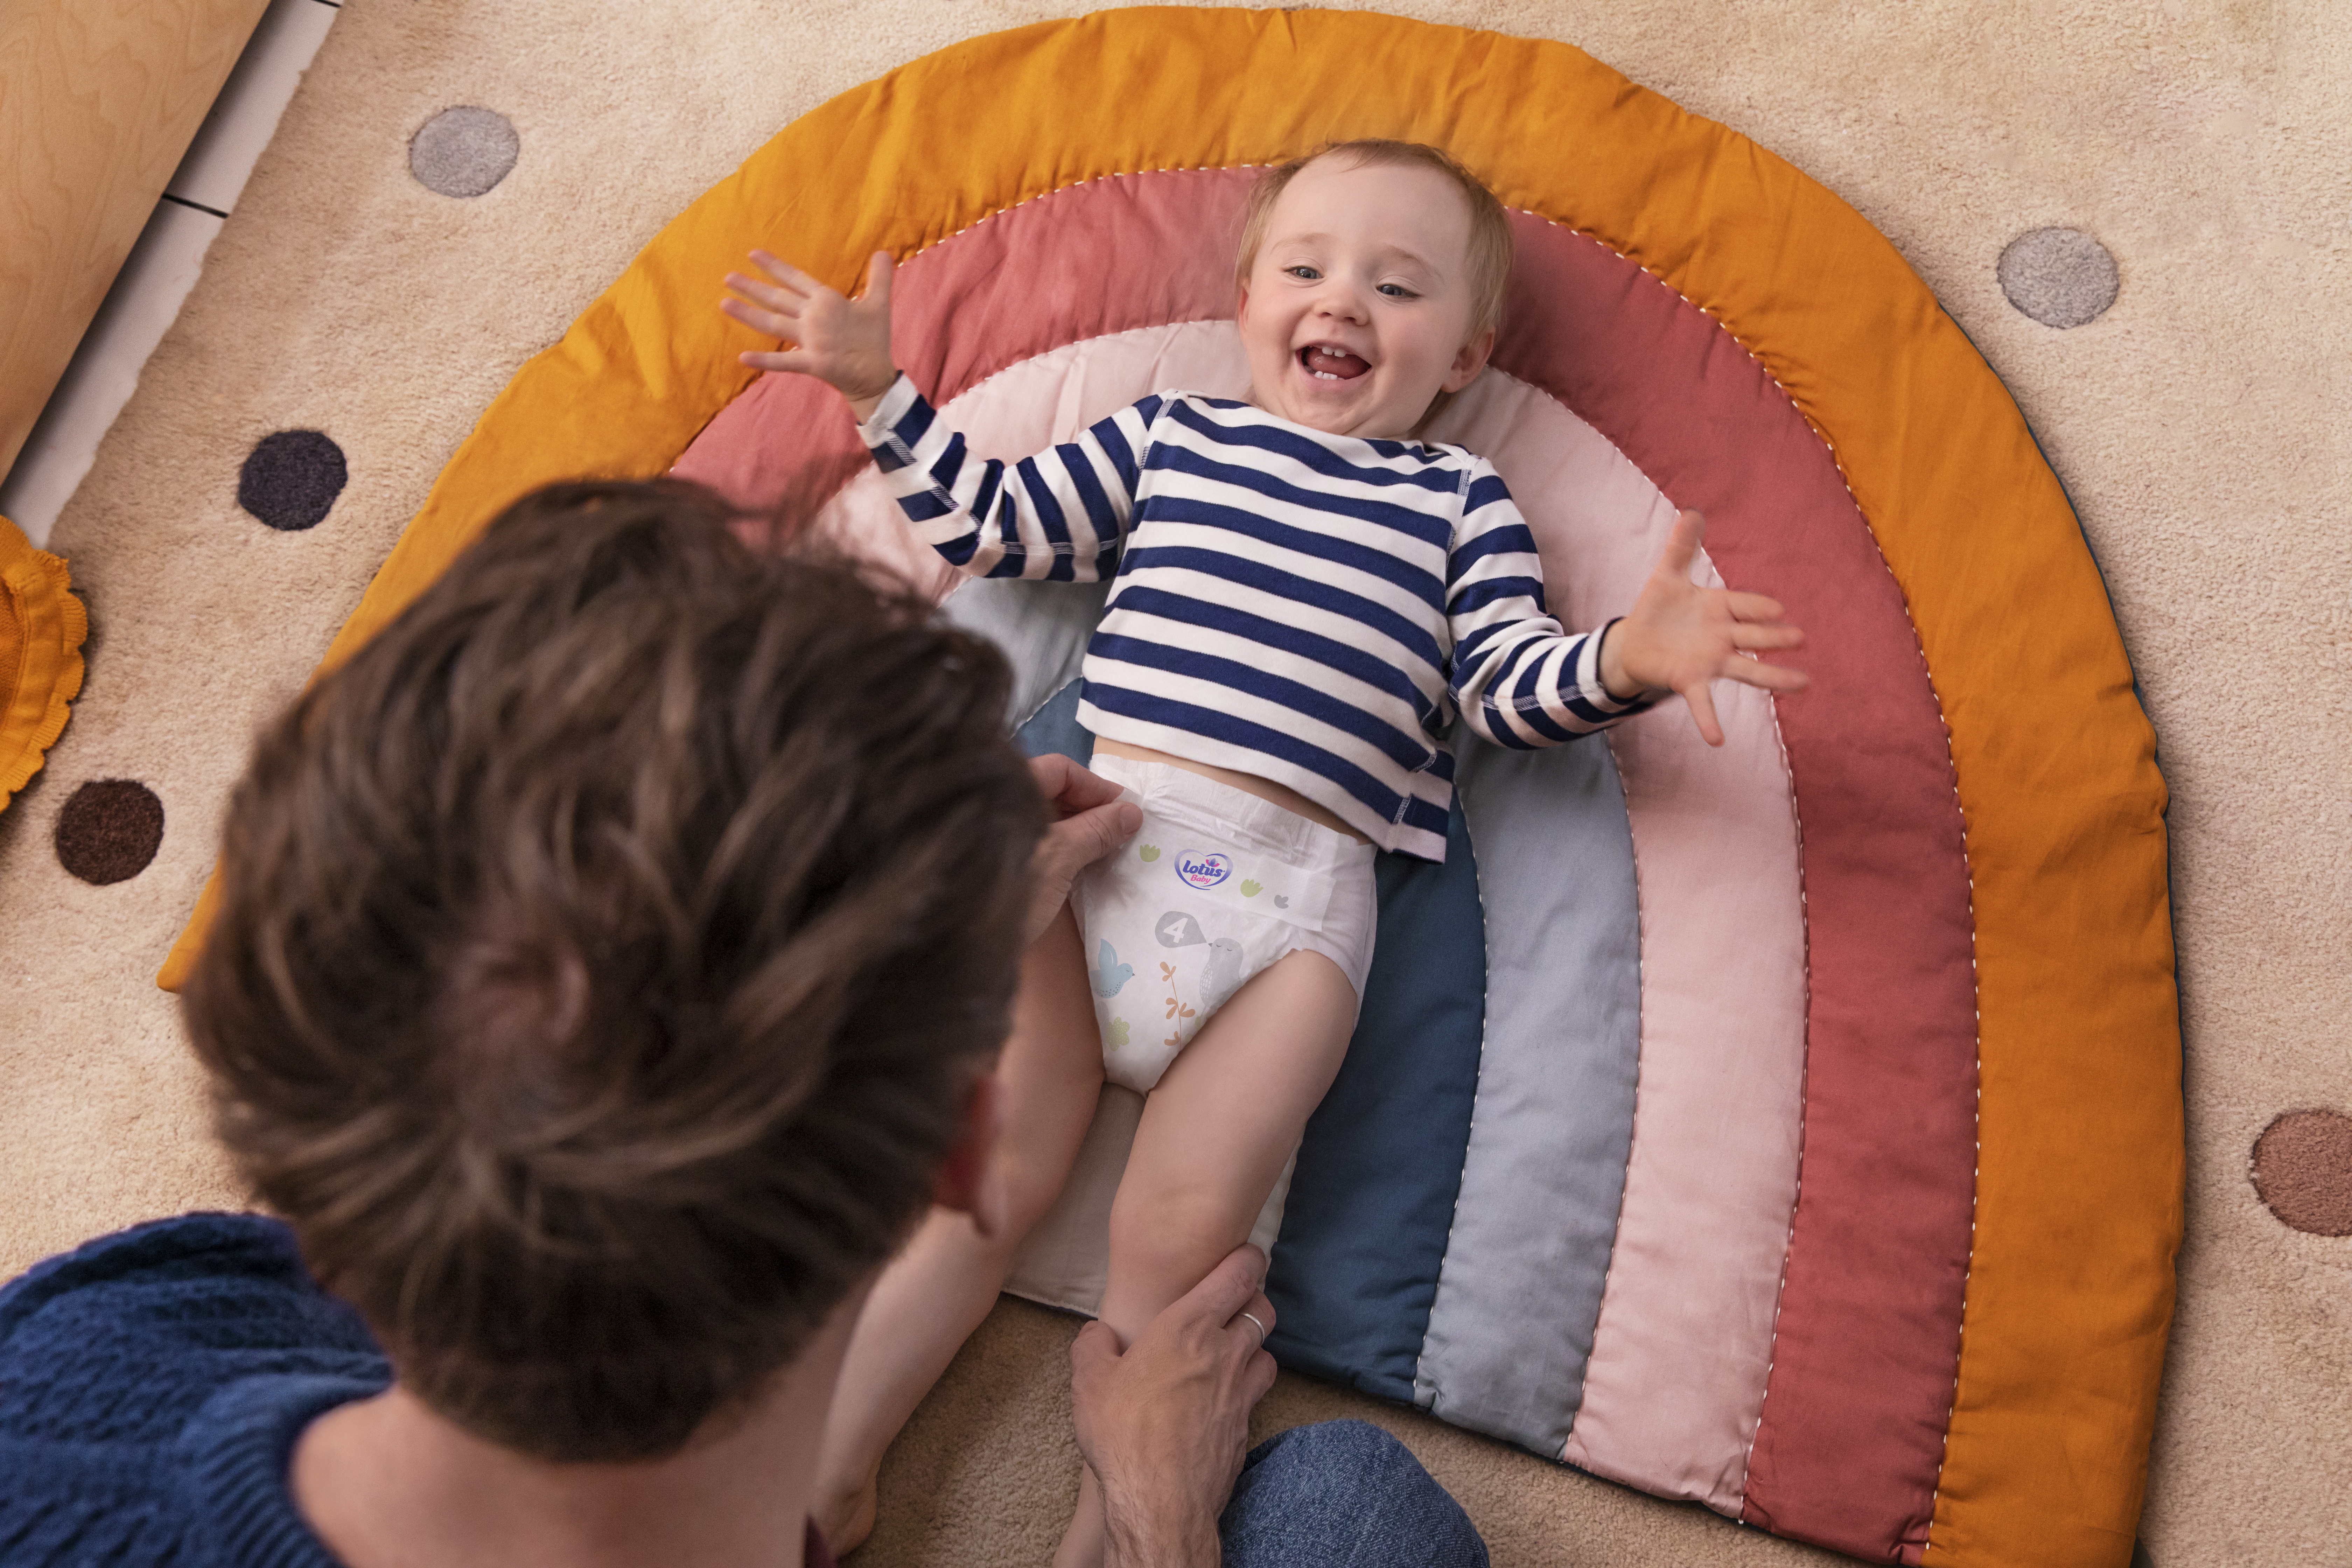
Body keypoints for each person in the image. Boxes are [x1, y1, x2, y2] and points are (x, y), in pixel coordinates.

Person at [0, 481, 1490, 1567]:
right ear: (959, 1152)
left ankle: (821, 1494)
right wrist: (1163, 1526)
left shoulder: (97, 1336)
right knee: (1355, 1510)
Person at [720, 138, 1810, 1565]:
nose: (1343, 300)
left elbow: (1506, 689)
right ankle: (836, 1469)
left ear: (1467, 350)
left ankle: (1112, 1540)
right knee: (986, 1169)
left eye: (1398, 284)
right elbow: (995, 525)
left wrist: (1628, 657)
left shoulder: (1463, 509)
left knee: (1175, 1255)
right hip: (1095, 854)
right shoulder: (1174, 435)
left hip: (1293, 920)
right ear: (1247, 302)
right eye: (1306, 268)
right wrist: (880, 391)